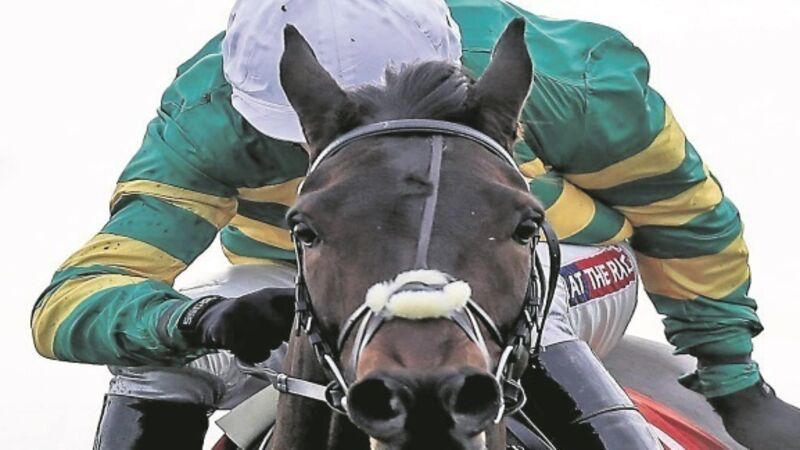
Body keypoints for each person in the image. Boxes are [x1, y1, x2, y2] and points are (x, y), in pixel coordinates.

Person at [30, 0, 799, 448]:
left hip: (546, 258)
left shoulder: (579, 79)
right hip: (319, 271)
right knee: (155, 360)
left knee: (521, 302)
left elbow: (685, 213)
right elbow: (75, 300)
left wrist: (735, 381)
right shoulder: (211, 116)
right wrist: (195, 320)